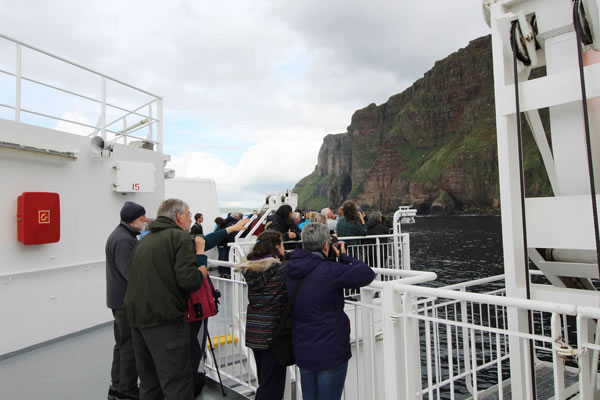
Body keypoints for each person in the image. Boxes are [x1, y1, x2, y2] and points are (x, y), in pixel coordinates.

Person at [125, 198, 208, 400]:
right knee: (177, 384)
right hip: (164, 321)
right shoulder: (178, 238)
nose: (190, 219)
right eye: (189, 214)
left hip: (137, 320)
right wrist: (202, 267)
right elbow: (188, 281)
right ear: (179, 216)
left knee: (150, 384)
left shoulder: (145, 240)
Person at [285, 223, 375, 400]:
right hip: (330, 350)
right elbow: (366, 273)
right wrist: (343, 256)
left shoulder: (290, 268)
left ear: (304, 245)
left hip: (303, 348)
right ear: (326, 246)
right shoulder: (329, 270)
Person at [187, 217, 248, 396]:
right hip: (192, 308)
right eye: (188, 214)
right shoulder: (178, 245)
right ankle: (193, 380)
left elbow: (207, 240)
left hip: (190, 309)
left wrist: (231, 230)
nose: (190, 217)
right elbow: (197, 276)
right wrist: (200, 256)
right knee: (194, 345)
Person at [235, 231, 288, 400]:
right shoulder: (279, 270)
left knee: (265, 380)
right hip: (272, 334)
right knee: (272, 385)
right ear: (276, 247)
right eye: (283, 245)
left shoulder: (251, 270)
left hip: (254, 331)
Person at [105, 201, 147, 400]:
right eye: (142, 217)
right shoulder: (124, 240)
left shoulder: (120, 235)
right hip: (125, 303)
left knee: (121, 345)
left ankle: (117, 386)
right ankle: (127, 390)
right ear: (134, 219)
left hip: (119, 301)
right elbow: (129, 272)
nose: (145, 221)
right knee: (129, 347)